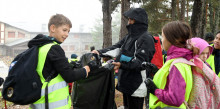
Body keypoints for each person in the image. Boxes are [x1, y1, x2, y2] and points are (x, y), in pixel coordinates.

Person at [29, 14, 99, 109]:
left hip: (39, 103)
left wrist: (71, 65)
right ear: (53, 28)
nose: (67, 34)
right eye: (64, 30)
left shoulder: (41, 47)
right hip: (51, 103)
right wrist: (88, 67)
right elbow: (70, 76)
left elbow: (50, 69)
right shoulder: (54, 48)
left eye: (68, 31)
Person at [93, 8, 155, 109]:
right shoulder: (129, 36)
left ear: (138, 21)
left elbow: (141, 63)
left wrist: (121, 64)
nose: (128, 22)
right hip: (126, 82)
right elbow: (117, 48)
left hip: (137, 85)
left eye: (131, 20)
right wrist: (99, 52)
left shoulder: (146, 38)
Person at [145, 21, 199, 108]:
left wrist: (155, 91)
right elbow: (172, 84)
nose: (161, 40)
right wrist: (157, 72)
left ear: (172, 40)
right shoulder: (182, 59)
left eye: (163, 36)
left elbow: (175, 99)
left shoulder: (177, 64)